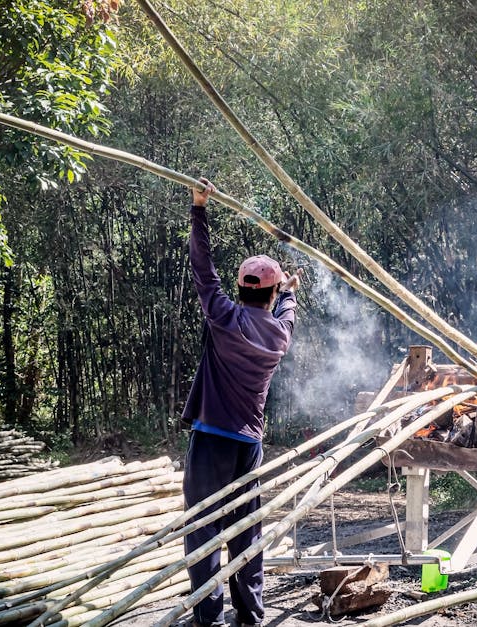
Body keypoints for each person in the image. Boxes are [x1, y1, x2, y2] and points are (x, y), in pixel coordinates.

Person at [180, 178, 300, 627]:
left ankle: (208, 616)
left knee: (204, 526)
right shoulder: (280, 333)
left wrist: (199, 209)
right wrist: (288, 289)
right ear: (269, 294)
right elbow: (287, 307)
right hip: (248, 445)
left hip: (212, 440)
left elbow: (202, 269)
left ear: (240, 288)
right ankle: (250, 614)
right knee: (246, 526)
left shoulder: (224, 318)